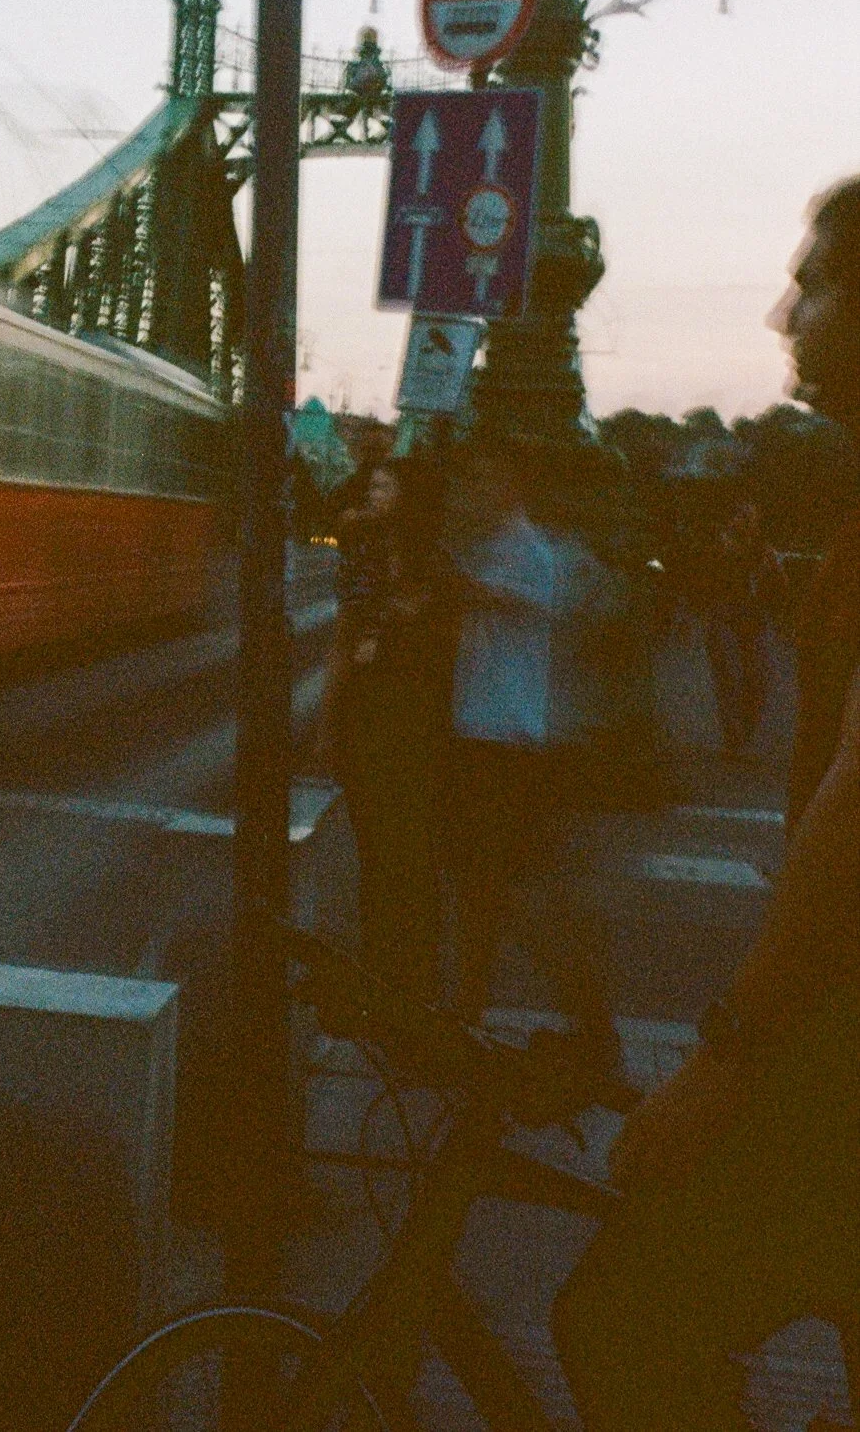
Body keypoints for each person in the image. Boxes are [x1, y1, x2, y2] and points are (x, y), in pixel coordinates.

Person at [552, 177, 860, 1430]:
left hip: (830, 1056)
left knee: (622, 1318)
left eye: (822, 277)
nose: (786, 306)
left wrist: (728, 1054)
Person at [443, 439, 626, 1079]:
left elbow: (491, 598)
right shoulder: (506, 545)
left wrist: (435, 568)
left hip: (511, 744)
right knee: (490, 886)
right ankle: (475, 1002)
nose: (473, 489)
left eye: (485, 477)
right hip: (493, 736)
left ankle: (586, 1025)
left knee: (513, 892)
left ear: (515, 486)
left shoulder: (529, 550)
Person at [323, 455, 453, 1004]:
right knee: (390, 849)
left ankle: (393, 972)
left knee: (395, 849)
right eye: (373, 484)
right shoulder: (376, 553)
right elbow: (349, 637)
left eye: (387, 486)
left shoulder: (420, 557)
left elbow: (351, 638)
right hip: (387, 712)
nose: (377, 494)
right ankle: (396, 971)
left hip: (397, 713)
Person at [705, 494, 781, 756]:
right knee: (730, 676)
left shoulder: (764, 551)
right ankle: (734, 734)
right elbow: (702, 578)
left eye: (752, 518)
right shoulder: (719, 545)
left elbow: (779, 589)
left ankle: (744, 729)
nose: (748, 522)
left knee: (757, 680)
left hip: (753, 620)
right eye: (743, 516)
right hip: (722, 616)